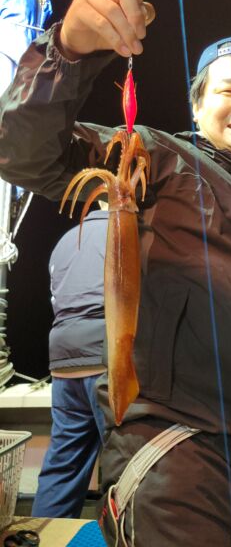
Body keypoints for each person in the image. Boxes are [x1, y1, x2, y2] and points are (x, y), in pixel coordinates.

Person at [0, 0, 231, 546]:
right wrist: (68, 49)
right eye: (226, 90)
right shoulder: (152, 158)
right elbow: (21, 152)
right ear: (197, 105)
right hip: (179, 456)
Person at [31, 207, 108, 518]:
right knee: (128, 461)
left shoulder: (64, 241)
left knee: (63, 465)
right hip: (107, 359)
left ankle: (43, 533)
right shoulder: (130, 233)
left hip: (64, 364)